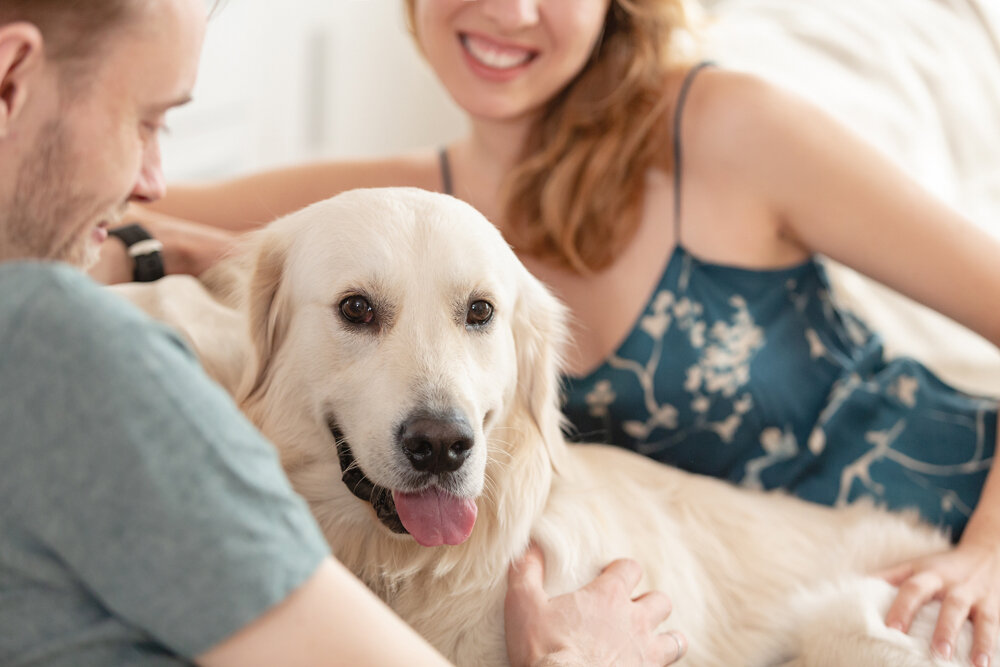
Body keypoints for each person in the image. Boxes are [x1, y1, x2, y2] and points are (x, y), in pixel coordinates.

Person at [92, 0, 1000, 664]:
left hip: (946, 542)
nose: (510, 10)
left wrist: (987, 555)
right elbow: (113, 202)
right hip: (745, 574)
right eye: (364, 310)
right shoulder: (417, 211)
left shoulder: (726, 126)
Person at [0, 1, 688, 665]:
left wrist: (153, 249)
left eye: (477, 313)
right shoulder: (64, 348)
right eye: (147, 122)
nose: (153, 181)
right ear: (8, 81)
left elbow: (128, 223)